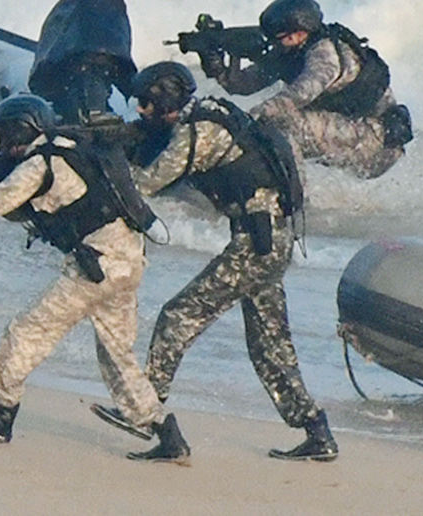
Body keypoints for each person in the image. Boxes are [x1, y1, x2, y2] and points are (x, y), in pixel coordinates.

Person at [95, 61, 338, 462]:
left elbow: (149, 183)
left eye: (145, 103)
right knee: (269, 347)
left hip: (256, 242)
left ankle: (143, 410)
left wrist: (107, 159)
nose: (140, 111)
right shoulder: (213, 112)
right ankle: (317, 431)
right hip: (270, 240)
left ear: (164, 100)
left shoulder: (199, 132)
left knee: (177, 316)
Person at [0, 94, 189, 462]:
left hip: (95, 267)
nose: (2, 144)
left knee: (26, 331)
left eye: (4, 135)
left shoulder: (38, 165)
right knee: (117, 354)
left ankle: (1, 420)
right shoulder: (76, 145)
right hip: (130, 259)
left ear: (18, 131)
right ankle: (166, 433)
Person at [206, 0, 410, 179]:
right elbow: (242, 84)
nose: (279, 42)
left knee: (283, 124)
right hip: (352, 127)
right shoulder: (292, 51)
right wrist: (221, 60)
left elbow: (302, 93)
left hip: (376, 143)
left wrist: (256, 113)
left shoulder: (325, 53)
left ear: (300, 32)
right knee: (273, 120)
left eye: (284, 36)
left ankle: (293, 195)